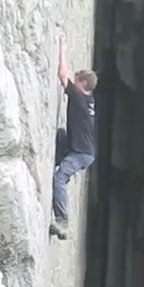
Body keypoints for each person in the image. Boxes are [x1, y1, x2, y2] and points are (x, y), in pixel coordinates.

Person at [50, 34, 98, 239]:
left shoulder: (78, 97)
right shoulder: (89, 101)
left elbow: (62, 75)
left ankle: (62, 221)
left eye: (77, 81)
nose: (74, 82)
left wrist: (62, 49)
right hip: (81, 149)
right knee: (61, 135)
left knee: (60, 177)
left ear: (83, 84)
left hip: (81, 153)